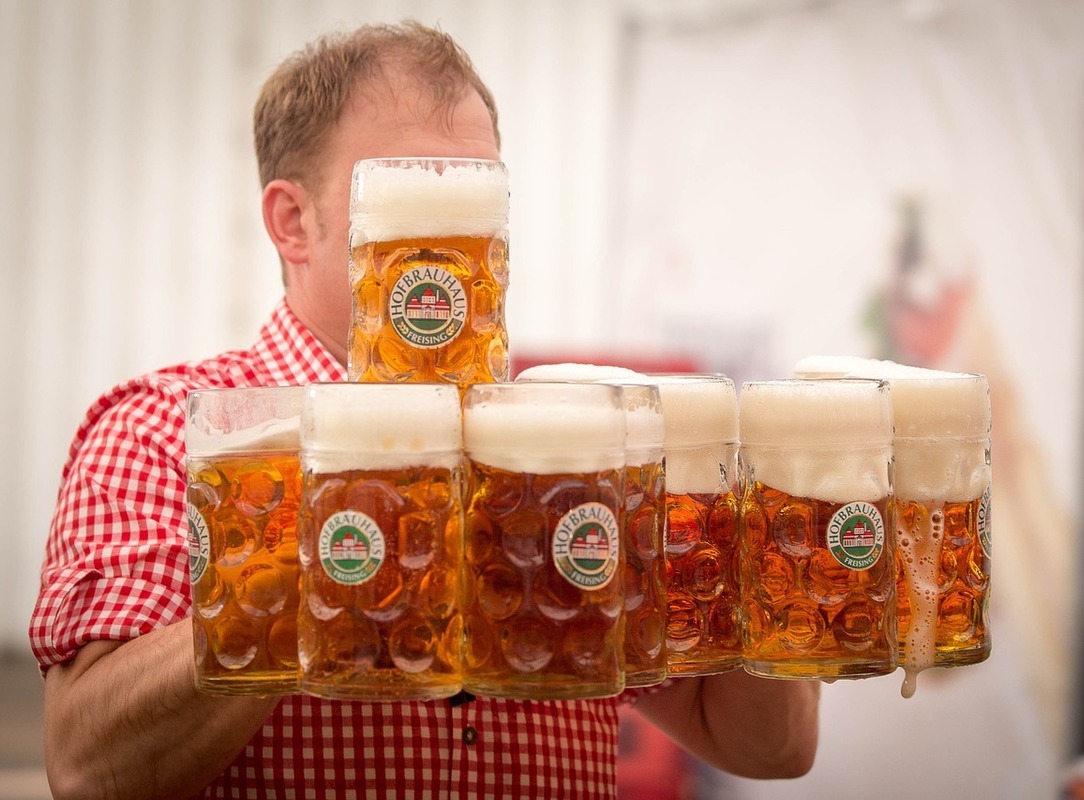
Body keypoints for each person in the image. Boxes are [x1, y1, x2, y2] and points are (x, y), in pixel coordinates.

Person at [29, 20, 819, 799]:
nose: (453, 236)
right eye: (406, 188)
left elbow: (768, 745)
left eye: (476, 195)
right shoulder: (162, 429)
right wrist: (321, 553)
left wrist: (744, 548)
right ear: (293, 221)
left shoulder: (568, 443)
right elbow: (89, 768)